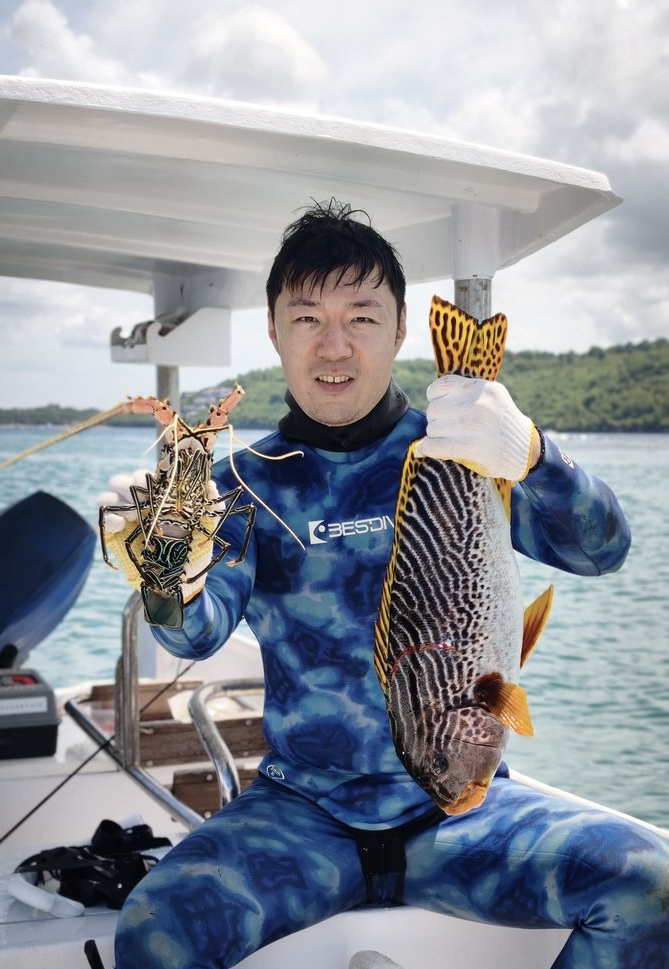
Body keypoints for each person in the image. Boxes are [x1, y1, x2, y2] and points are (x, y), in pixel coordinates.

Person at [113, 200, 668, 969]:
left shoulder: (467, 448)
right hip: (300, 814)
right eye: (306, 318)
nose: (333, 344)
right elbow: (197, 632)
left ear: (401, 327)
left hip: (461, 809)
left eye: (362, 317)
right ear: (273, 330)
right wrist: (164, 574)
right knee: (153, 931)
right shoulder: (241, 484)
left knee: (651, 885)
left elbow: (602, 550)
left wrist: (533, 452)